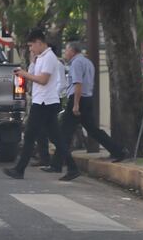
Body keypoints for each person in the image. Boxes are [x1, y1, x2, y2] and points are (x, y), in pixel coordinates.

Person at [55, 41, 129, 181]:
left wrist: (75, 104)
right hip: (88, 99)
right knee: (93, 130)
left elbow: (78, 84)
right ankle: (118, 150)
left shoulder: (76, 63)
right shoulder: (88, 62)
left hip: (78, 99)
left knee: (64, 133)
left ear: (72, 51)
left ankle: (67, 167)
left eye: (66, 50)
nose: (65, 53)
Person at [3, 29, 65, 180]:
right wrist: (31, 63)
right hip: (40, 100)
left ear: (39, 42)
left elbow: (42, 80)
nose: (31, 49)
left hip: (45, 102)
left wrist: (24, 74)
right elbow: (34, 75)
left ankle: (19, 169)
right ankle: (72, 167)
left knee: (30, 135)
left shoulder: (50, 57)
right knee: (55, 137)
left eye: (31, 46)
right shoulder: (40, 58)